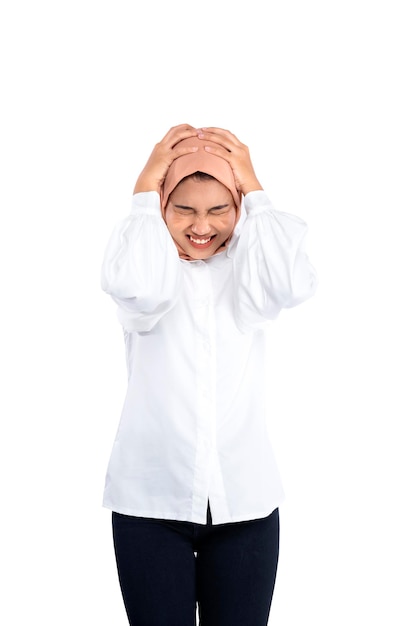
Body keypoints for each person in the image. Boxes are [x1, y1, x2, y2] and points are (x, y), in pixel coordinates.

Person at [101, 124, 317, 626]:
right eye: (184, 209)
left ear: (238, 210)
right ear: (161, 210)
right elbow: (142, 287)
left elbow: (291, 282)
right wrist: (143, 191)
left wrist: (256, 189)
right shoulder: (146, 269)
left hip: (246, 507)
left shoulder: (249, 273)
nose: (203, 225)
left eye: (220, 208)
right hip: (149, 505)